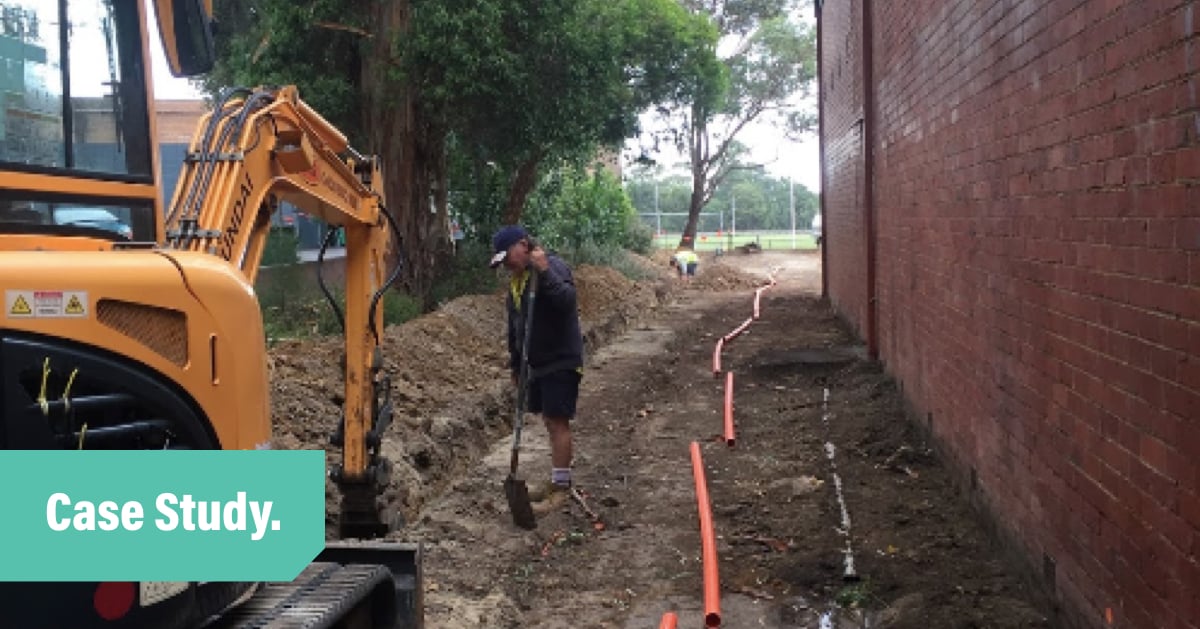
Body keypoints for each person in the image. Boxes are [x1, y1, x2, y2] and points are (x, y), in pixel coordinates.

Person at [489, 225, 584, 515]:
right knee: (549, 421)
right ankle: (558, 478)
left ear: (523, 245)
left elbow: (567, 302)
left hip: (561, 358)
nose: (506, 265)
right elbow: (515, 327)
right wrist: (516, 363)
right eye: (501, 261)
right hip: (537, 363)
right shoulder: (517, 282)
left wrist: (544, 272)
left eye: (508, 257)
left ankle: (561, 489)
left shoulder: (551, 266)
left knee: (558, 422)